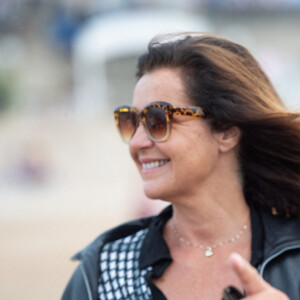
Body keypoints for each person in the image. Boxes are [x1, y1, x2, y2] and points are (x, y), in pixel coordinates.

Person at [62, 32, 300, 300]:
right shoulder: (101, 273)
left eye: (157, 120)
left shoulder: (295, 256)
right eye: (130, 121)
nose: (137, 143)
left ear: (226, 132)